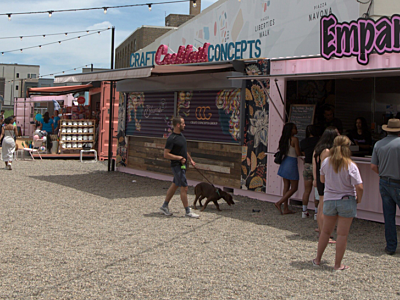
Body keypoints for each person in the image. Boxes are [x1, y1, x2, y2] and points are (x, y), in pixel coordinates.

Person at [313, 135, 363, 270]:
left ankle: (317, 259)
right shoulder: (350, 165)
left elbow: (322, 180)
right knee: (342, 234)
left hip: (330, 199)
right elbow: (359, 186)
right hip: (346, 199)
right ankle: (337, 264)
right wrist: (359, 198)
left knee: (325, 232)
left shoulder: (326, 162)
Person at [159, 116, 199, 218]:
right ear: (178, 125)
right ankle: (187, 211)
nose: (184, 125)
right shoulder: (171, 139)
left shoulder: (181, 136)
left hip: (183, 166)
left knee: (175, 185)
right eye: (183, 123)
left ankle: (164, 206)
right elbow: (166, 154)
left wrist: (191, 159)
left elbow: (183, 150)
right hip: (177, 166)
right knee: (184, 187)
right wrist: (179, 158)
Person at [371, 118, 400, 255]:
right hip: (398, 182)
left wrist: (382, 174)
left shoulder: (378, 144)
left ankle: (391, 246)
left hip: (384, 181)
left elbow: (373, 166)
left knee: (389, 217)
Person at [313, 126, 339, 237]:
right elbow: (325, 168)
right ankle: (324, 233)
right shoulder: (327, 151)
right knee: (324, 207)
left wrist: (315, 178)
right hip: (325, 180)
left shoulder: (318, 149)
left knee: (320, 206)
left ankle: (321, 229)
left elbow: (315, 165)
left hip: (320, 179)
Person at [274, 123, 302, 215]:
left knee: (286, 186)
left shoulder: (283, 139)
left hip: (285, 162)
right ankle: (279, 202)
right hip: (292, 163)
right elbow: (298, 153)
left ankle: (285, 208)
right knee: (294, 187)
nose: (296, 129)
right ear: (291, 130)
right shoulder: (295, 139)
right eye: (294, 128)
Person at [300, 125, 320, 219]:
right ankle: (316, 212)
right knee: (317, 190)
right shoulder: (319, 141)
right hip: (316, 165)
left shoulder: (304, 142)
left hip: (307, 165)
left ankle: (304, 211)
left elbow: (301, 152)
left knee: (307, 190)